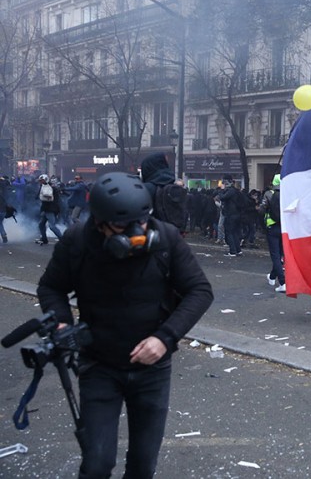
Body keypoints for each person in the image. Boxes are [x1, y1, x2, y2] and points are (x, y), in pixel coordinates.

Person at [36, 171, 213, 478]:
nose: (135, 233)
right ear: (100, 223)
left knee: (143, 465)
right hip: (99, 366)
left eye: (141, 222)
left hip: (152, 371)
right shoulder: (77, 241)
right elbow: (50, 287)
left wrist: (165, 338)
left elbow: (200, 291)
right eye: (122, 226)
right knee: (97, 463)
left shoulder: (167, 238)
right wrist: (63, 324)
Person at [259, 174, 285, 292]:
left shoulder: (269, 194)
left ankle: (282, 282)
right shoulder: (288, 194)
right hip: (285, 228)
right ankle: (272, 276)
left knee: (275, 255)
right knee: (280, 254)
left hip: (272, 227)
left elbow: (262, 210)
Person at [215, 176, 243, 257]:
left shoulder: (230, 191)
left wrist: (221, 190)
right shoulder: (236, 191)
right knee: (235, 233)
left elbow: (223, 198)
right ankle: (238, 250)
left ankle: (232, 251)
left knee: (229, 232)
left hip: (231, 214)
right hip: (237, 214)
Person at [36, 174, 63, 246]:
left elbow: (52, 199)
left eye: (42, 180)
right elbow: (38, 196)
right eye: (40, 181)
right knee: (41, 224)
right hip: (46, 209)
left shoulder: (52, 188)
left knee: (52, 226)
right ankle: (44, 239)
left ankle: (63, 240)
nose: (41, 182)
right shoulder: (44, 187)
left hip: (51, 209)